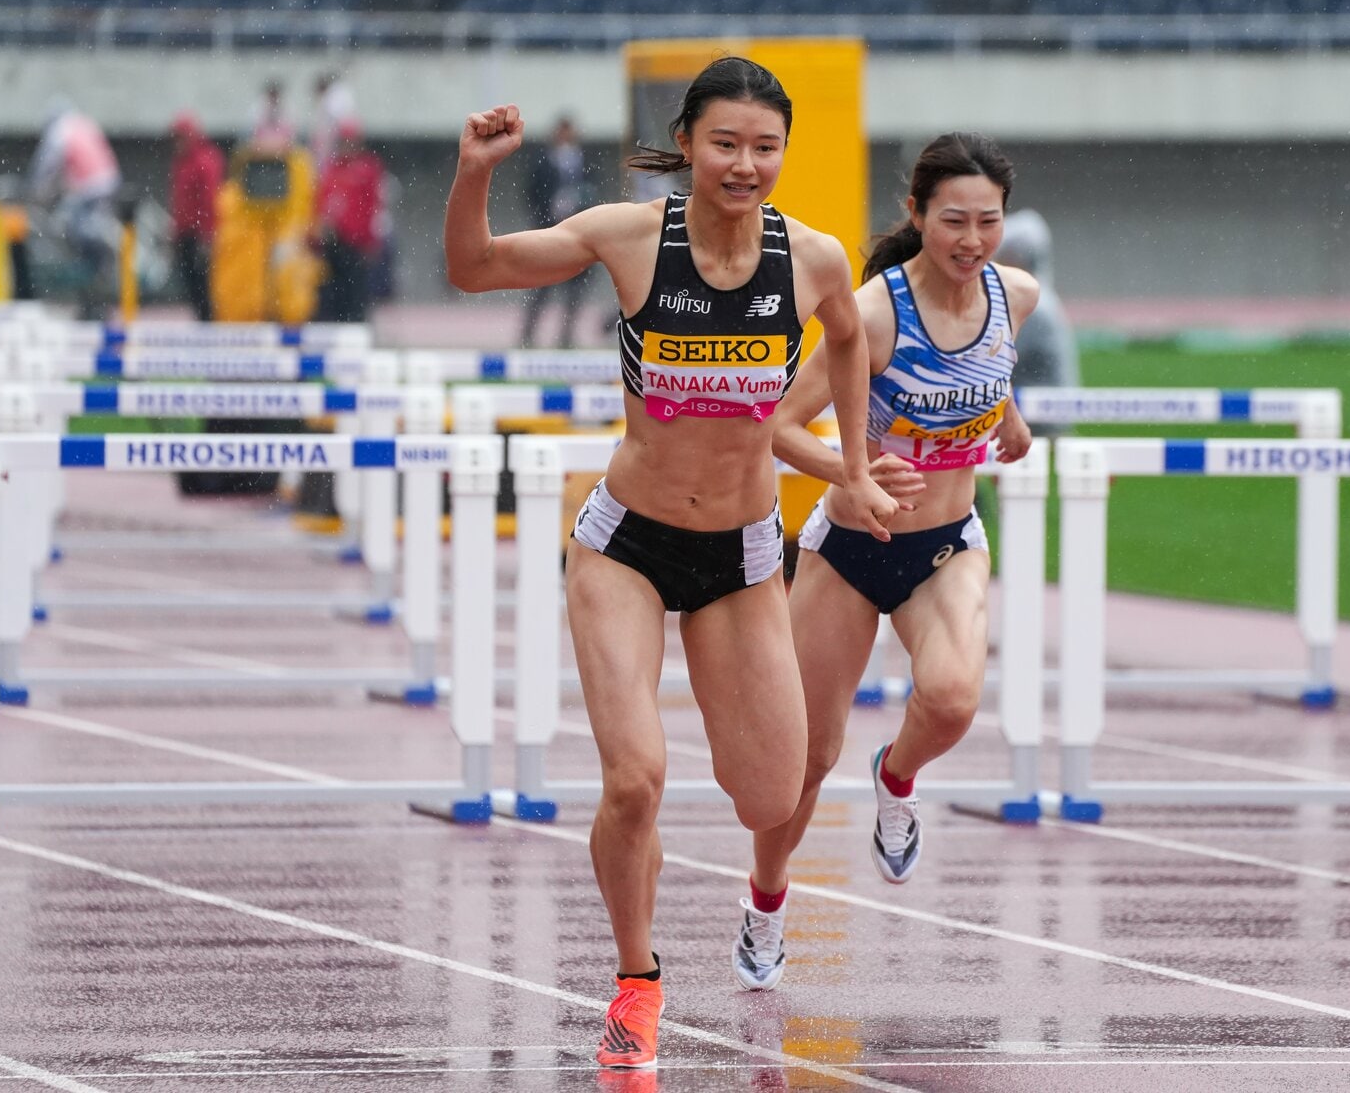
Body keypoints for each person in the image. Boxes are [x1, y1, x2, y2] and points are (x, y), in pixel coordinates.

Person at [444, 57, 900, 1070]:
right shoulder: (630, 237)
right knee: (637, 780)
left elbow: (849, 341)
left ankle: (751, 898)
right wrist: (475, 171)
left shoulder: (815, 260)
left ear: (785, 153)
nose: (745, 164)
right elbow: (474, 268)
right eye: (726, 143)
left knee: (770, 795)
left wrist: (854, 470)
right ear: (687, 143)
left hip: (739, 557)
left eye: (765, 147)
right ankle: (636, 981)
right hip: (627, 547)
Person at [730, 132, 1037, 992]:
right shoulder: (873, 313)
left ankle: (896, 776)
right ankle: (764, 902)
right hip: (851, 550)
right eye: (953, 222)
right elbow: (780, 428)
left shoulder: (1018, 295)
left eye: (988, 222)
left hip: (945, 543)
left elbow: (985, 360)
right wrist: (852, 473)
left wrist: (1005, 415)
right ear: (917, 215)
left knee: (950, 699)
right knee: (802, 761)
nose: (972, 240)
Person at [28, 98, 121, 320]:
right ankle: (98, 276)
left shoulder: (59, 130)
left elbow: (47, 165)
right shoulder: (85, 122)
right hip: (109, 183)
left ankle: (93, 276)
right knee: (91, 230)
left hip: (89, 188)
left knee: (74, 231)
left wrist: (36, 191)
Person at [995, 208, 1082, 429]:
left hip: (1038, 423)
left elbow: (994, 359)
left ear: (1016, 257)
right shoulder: (1042, 299)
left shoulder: (1034, 306)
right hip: (1043, 414)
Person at [517, 115, 593, 348]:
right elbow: (531, 193)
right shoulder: (543, 161)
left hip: (579, 233)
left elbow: (593, 191)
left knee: (575, 290)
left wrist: (579, 204)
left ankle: (566, 336)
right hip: (548, 230)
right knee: (541, 287)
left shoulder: (584, 160)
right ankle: (528, 335)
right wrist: (546, 213)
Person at [314, 118, 384, 323]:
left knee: (356, 294)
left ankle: (355, 332)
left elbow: (374, 206)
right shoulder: (333, 169)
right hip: (334, 242)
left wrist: (371, 241)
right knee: (333, 294)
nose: (347, 146)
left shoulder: (367, 169)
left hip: (357, 245)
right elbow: (322, 201)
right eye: (343, 141)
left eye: (350, 141)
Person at [167, 112, 225, 321]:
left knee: (203, 285)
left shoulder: (204, 161)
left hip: (199, 235)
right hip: (185, 233)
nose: (177, 142)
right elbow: (179, 199)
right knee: (191, 284)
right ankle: (202, 322)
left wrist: (207, 235)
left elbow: (209, 201)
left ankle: (208, 325)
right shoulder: (181, 162)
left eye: (180, 137)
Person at [247, 78, 297, 153]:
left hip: (282, 144)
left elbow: (290, 131)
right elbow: (254, 129)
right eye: (272, 94)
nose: (273, 97)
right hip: (262, 143)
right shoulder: (259, 107)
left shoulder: (287, 108)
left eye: (275, 94)